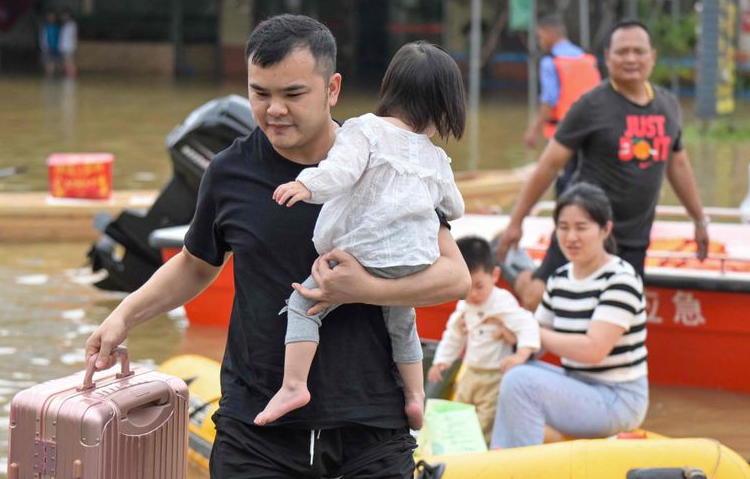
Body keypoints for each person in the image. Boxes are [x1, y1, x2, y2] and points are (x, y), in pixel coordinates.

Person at [85, 14, 469, 479]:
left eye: (293, 94)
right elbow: (194, 265)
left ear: (332, 89)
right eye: (259, 94)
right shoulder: (230, 171)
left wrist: (366, 290)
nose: (274, 111)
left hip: (366, 413)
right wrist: (121, 316)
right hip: (261, 416)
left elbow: (452, 276)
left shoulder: (386, 160)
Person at [254, 41, 467, 430]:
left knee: (303, 306)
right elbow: (454, 208)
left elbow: (341, 172)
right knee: (403, 322)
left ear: (391, 90)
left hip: (361, 255)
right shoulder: (436, 158)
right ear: (443, 107)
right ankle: (416, 396)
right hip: (413, 261)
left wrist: (307, 185)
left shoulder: (365, 129)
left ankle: (293, 385)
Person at [499, 19, 709, 310]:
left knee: (619, 314)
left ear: (653, 57)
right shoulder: (591, 105)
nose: (631, 59)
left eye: (639, 51)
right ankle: (519, 273)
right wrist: (515, 222)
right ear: (608, 58)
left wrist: (699, 219)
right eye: (622, 52)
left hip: (634, 237)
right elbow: (548, 166)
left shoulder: (668, 106)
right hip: (584, 231)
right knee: (539, 299)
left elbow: (679, 166)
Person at [491, 183, 648, 448]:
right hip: (578, 386)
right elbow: (536, 343)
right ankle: (502, 454)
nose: (571, 237)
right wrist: (514, 335)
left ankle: (520, 470)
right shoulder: (560, 278)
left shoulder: (621, 279)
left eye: (581, 227)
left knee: (521, 381)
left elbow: (594, 350)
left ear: (605, 229)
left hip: (618, 399)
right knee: (509, 368)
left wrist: (534, 332)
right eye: (563, 228)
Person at [427, 236, 540, 444]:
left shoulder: (502, 301)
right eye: (467, 286)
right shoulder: (465, 305)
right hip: (470, 370)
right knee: (459, 409)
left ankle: (479, 450)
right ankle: (456, 446)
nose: (473, 294)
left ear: (495, 275)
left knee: (486, 418)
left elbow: (527, 324)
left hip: (494, 374)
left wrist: (521, 354)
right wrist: (441, 361)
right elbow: (453, 335)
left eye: (479, 286)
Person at [521, 14, 601, 195]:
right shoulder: (589, 60)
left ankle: (565, 220)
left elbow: (549, 101)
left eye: (540, 36)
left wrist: (533, 130)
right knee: (586, 178)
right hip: (592, 131)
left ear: (549, 33)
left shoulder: (550, 62)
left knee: (564, 180)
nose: (540, 42)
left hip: (563, 132)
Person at [39, 11, 60, 76]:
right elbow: (42, 38)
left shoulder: (58, 27)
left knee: (55, 64)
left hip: (56, 48)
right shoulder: (45, 27)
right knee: (48, 63)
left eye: (53, 17)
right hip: (47, 48)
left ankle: (52, 76)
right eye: (50, 17)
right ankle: (49, 76)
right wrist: (43, 47)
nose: (51, 18)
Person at [58, 10, 77, 78]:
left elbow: (73, 36)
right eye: (63, 16)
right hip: (64, 47)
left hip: (69, 47)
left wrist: (74, 46)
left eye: (65, 15)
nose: (63, 17)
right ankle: (68, 75)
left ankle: (72, 75)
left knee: (70, 62)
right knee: (66, 62)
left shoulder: (72, 24)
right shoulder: (63, 25)